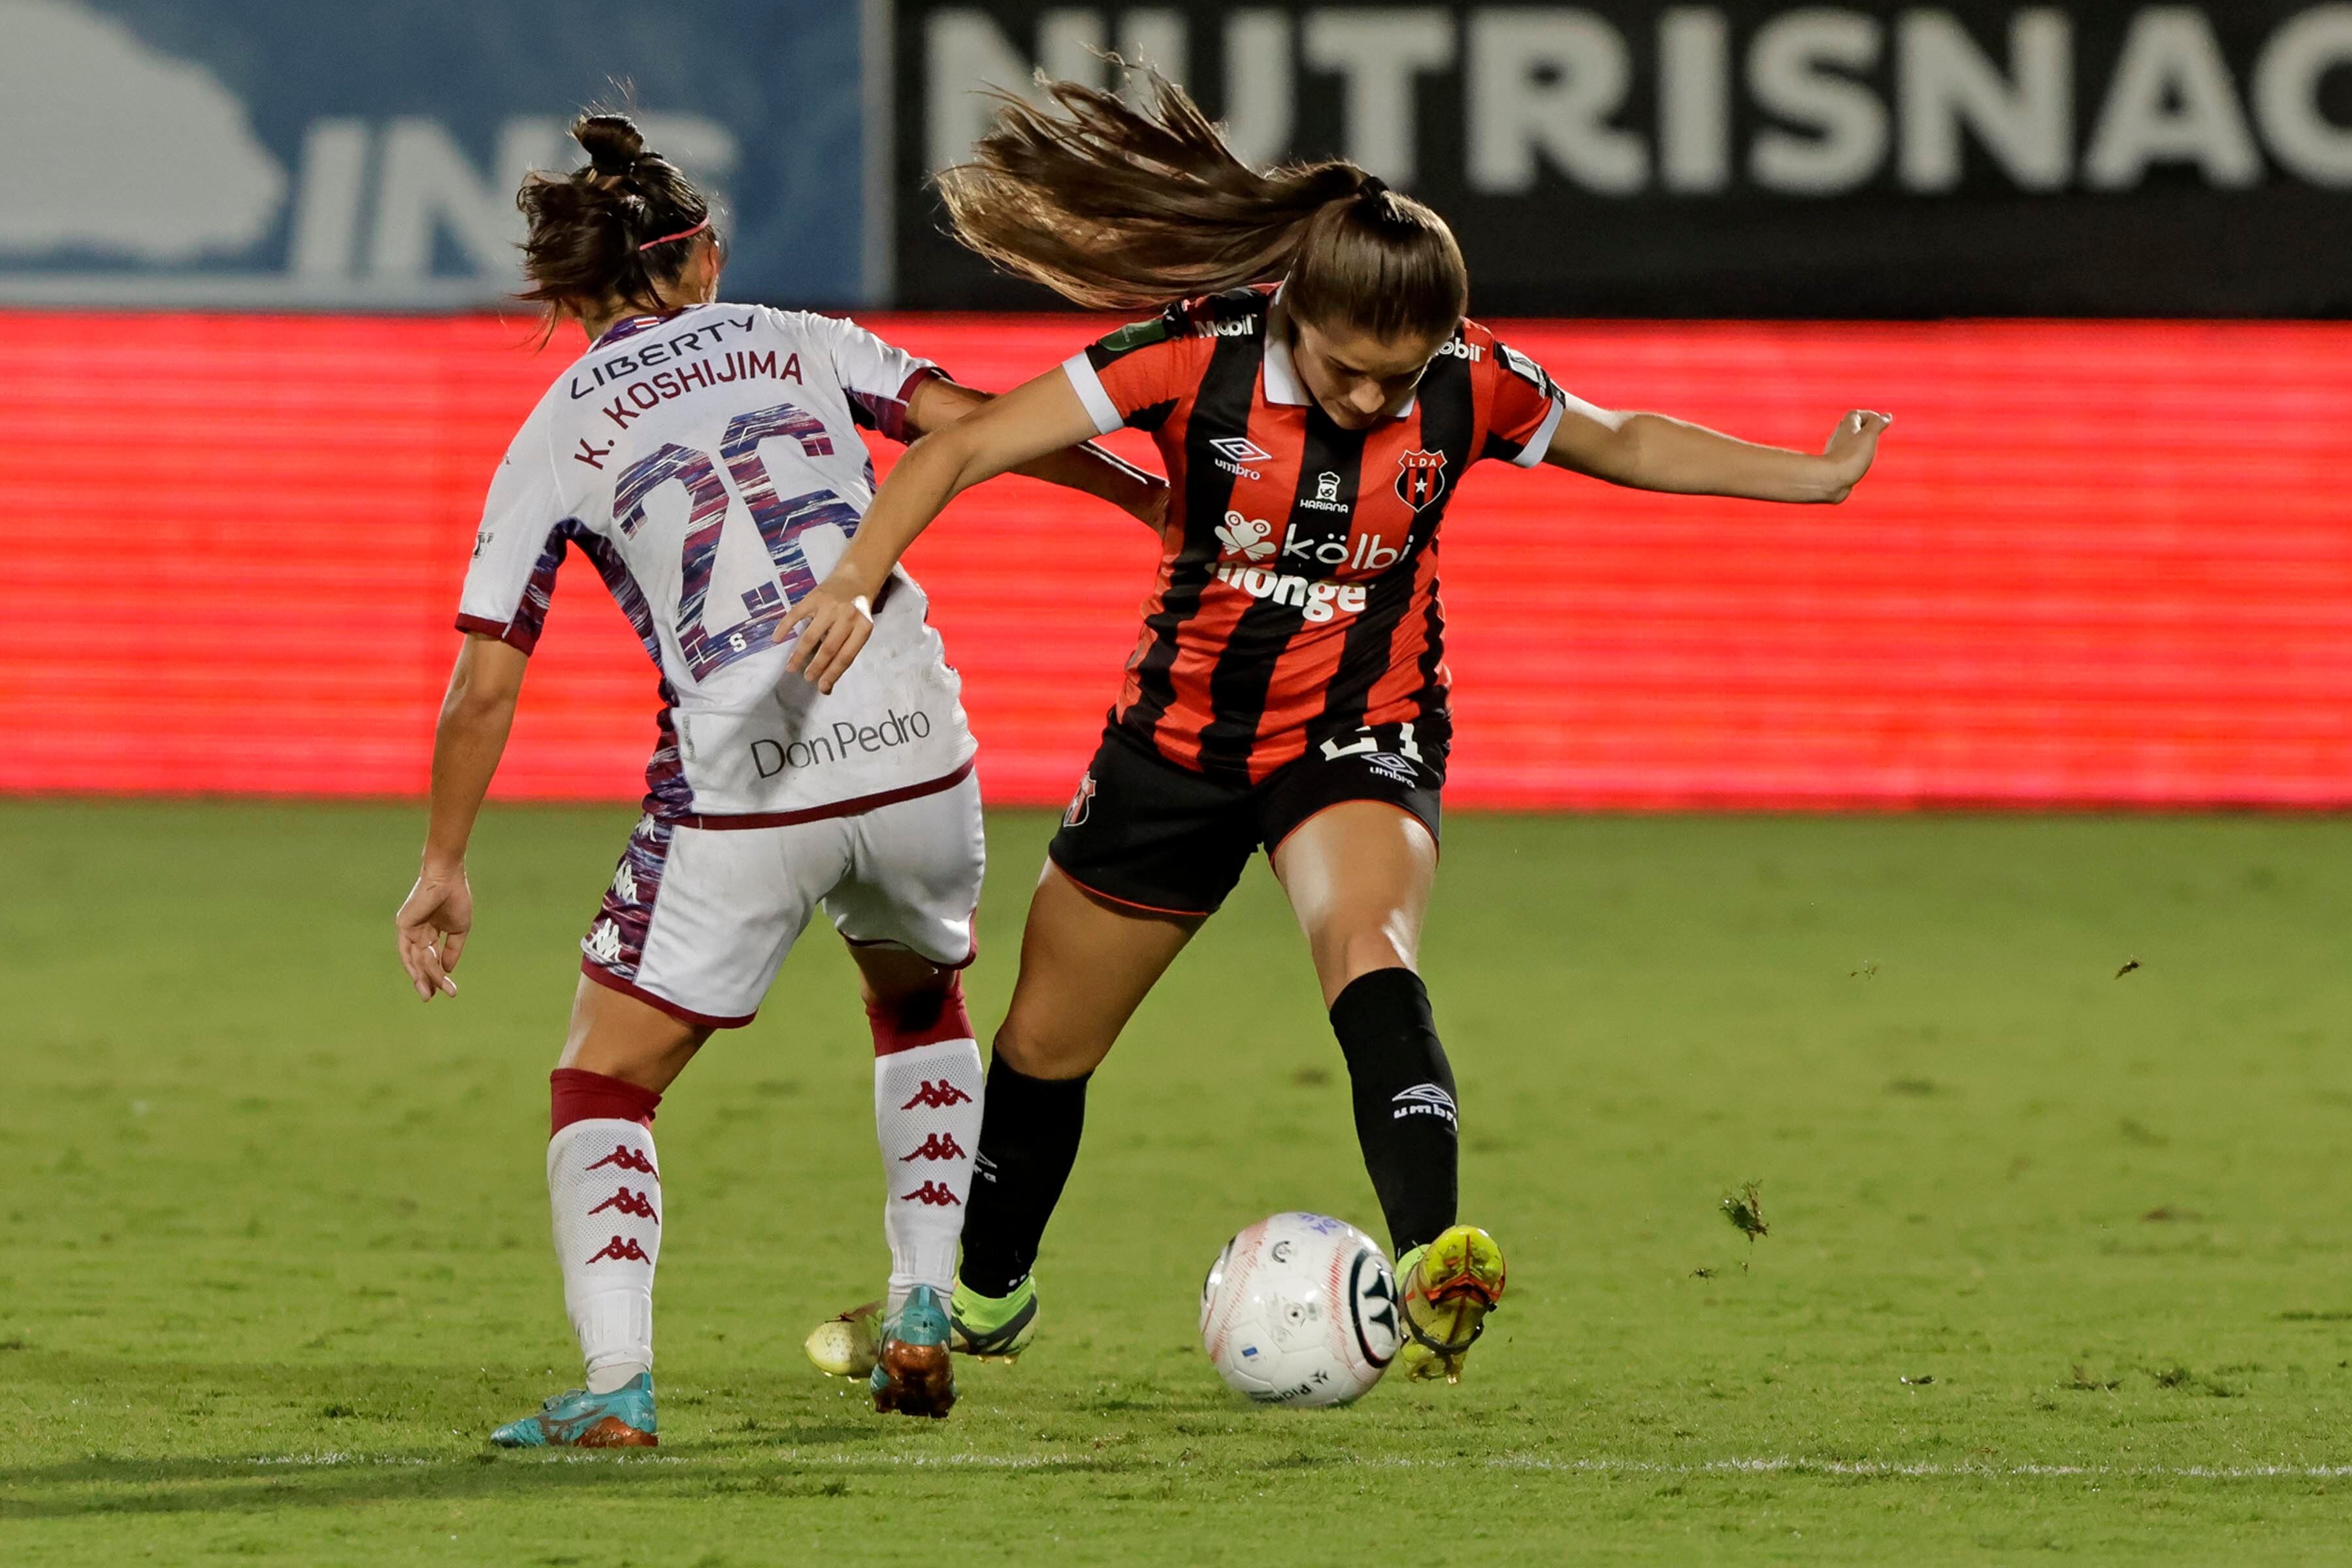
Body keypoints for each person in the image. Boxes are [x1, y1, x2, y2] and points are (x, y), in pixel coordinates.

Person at [785, 73, 1891, 1386]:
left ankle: (1433, 1259)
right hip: (1176, 745)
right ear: (1293, 314)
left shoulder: (1474, 381)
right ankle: (983, 1298)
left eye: (1396, 379)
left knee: (1367, 940)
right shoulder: (1190, 354)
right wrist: (855, 578)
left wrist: (1815, 476)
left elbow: (1629, 442)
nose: (1371, 401)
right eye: (1346, 372)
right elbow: (963, 446)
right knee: (1041, 1048)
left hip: (1361, 729)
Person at [391, 112, 1162, 1439]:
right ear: (697, 259)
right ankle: (923, 1307)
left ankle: (617, 1387)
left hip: (752, 777)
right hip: (918, 740)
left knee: (604, 1081)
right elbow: (986, 428)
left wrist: (444, 864)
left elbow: (484, 684)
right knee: (920, 1002)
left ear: (574, 293)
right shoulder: (801, 339)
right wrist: (1147, 498)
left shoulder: (554, 431)